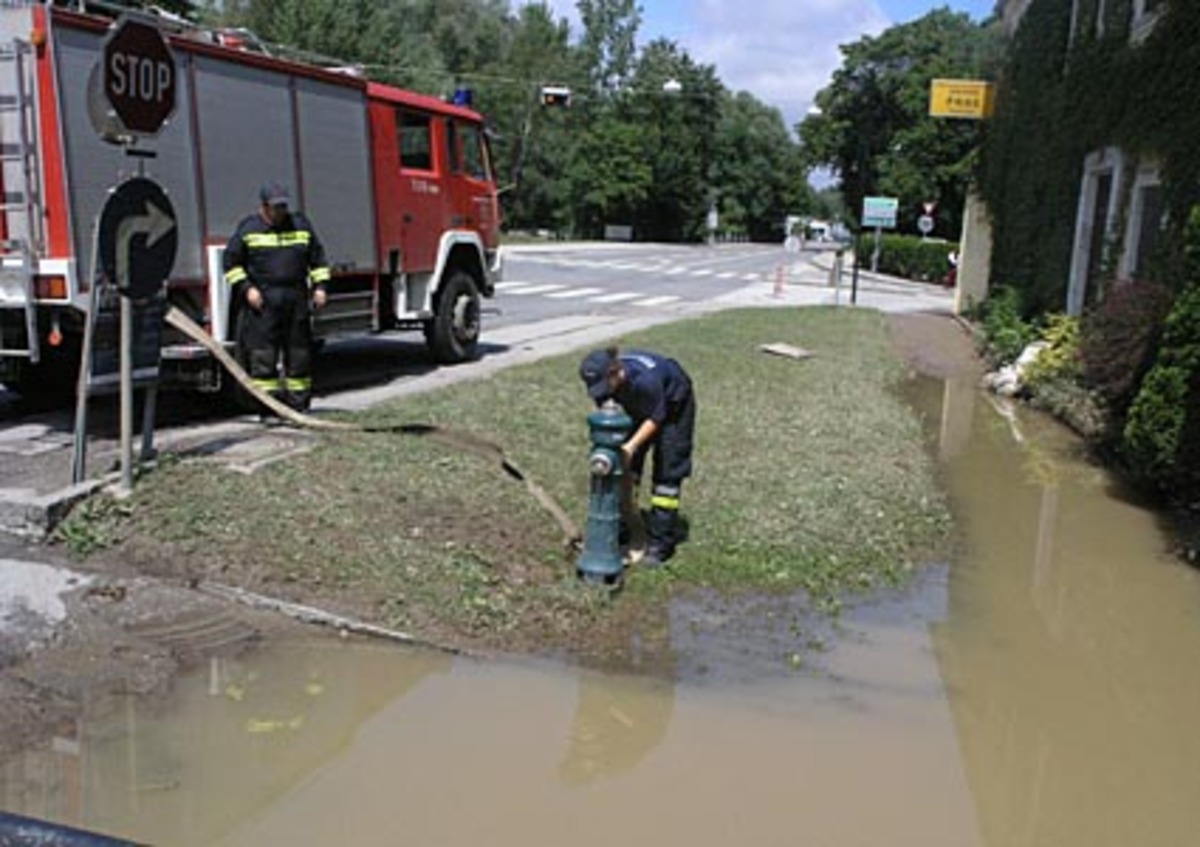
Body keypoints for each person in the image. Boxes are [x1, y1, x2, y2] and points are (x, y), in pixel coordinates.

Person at [579, 345, 696, 567]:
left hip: (674, 406)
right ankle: (623, 525)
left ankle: (661, 541)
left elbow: (655, 419)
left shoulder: (646, 381)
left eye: (604, 385)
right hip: (640, 406)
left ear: (617, 372)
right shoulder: (607, 381)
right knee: (626, 469)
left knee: (667, 472)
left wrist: (630, 446)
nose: (601, 392)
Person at [223, 181, 331, 413]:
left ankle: (298, 406)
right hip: (263, 301)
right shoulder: (249, 229)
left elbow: (318, 259)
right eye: (275, 207)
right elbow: (231, 264)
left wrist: (320, 287)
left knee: (299, 354)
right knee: (263, 356)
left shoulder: (300, 226)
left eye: (283, 206)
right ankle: (267, 408)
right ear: (264, 207)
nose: (281, 211)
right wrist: (247, 289)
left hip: (296, 298)